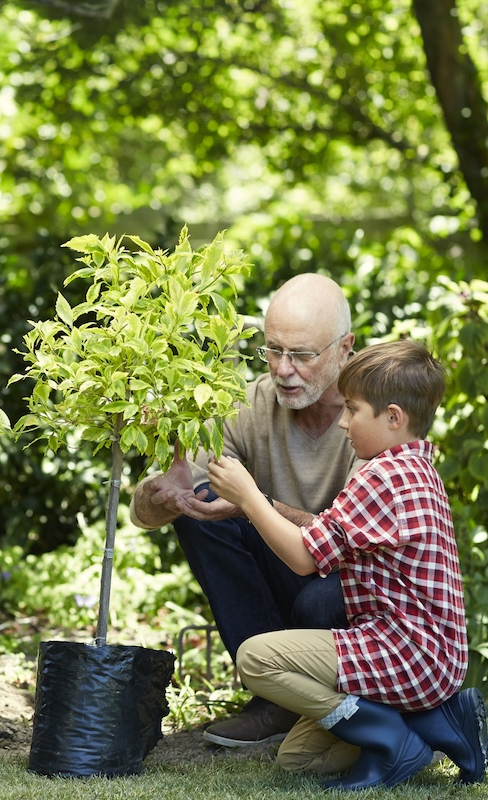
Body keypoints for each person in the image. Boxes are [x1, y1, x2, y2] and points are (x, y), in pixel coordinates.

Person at [207, 339, 488, 789]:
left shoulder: (381, 476)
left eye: (352, 410)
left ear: (393, 417)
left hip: (405, 652)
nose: (342, 422)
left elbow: (302, 558)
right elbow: (330, 534)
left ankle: (388, 734)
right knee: (299, 759)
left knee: (255, 658)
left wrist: (249, 497)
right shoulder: (416, 468)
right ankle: (433, 723)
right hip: (432, 659)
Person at [129, 273, 361, 747]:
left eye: (301, 355)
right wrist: (163, 497)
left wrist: (256, 505)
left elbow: (355, 542)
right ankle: (273, 698)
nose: (283, 369)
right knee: (204, 508)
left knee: (320, 597)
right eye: (273, 350)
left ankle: (332, 702)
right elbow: (147, 514)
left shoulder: (376, 414)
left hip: (354, 596)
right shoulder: (252, 404)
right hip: (287, 577)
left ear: (344, 348)